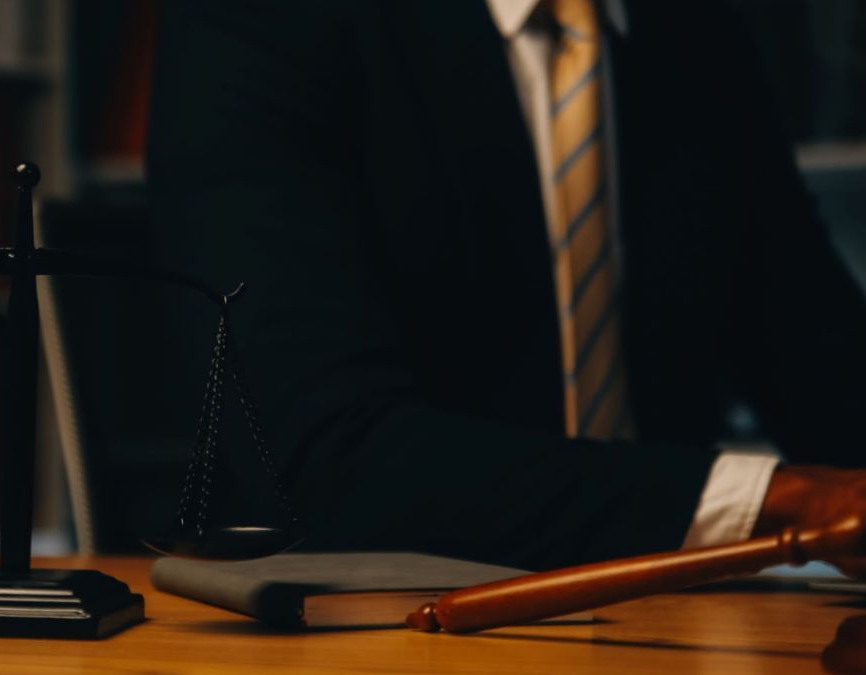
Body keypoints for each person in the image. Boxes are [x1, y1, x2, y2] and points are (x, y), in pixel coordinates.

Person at [146, 0, 866, 571]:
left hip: (676, 617)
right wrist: (780, 500)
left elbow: (819, 358)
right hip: (373, 628)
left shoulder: (694, 33)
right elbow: (317, 461)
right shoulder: (260, 18)